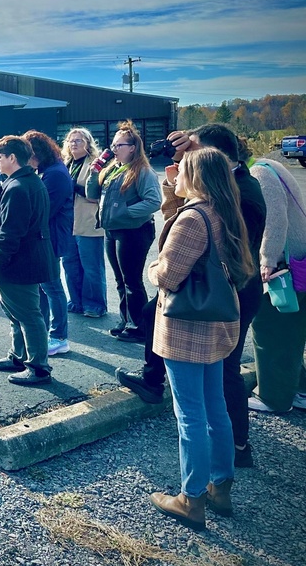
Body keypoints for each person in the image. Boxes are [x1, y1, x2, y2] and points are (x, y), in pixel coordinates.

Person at [117, 124, 265, 469]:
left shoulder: (240, 194)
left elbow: (181, 254)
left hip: (221, 296)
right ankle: (223, 466)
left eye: (190, 150)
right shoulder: (222, 195)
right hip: (214, 291)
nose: (182, 155)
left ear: (212, 157)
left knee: (211, 391)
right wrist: (176, 189)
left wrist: (157, 267)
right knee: (213, 390)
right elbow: (184, 228)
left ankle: (234, 450)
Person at [146, 148, 255, 530]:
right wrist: (171, 189)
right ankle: (220, 488)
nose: (175, 174)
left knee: (190, 415)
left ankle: (190, 499)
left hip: (187, 329)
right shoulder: (223, 210)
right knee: (215, 408)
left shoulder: (193, 219)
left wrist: (153, 268)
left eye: (182, 171)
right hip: (215, 326)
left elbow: (168, 276)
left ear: (197, 178)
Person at [0, 136, 55, 386]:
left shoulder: (19, 187)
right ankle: (19, 356)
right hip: (20, 262)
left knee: (28, 315)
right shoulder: (24, 182)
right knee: (16, 312)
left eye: (0, 157)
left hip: (18, 264)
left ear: (12, 158)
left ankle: (38, 368)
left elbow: (11, 232)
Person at [86, 122, 162, 343]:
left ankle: (139, 326)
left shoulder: (142, 171)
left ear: (132, 147)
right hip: (113, 230)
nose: (114, 149)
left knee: (131, 281)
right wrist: (94, 174)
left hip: (133, 232)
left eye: (119, 145)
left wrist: (126, 212)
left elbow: (153, 201)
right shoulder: (112, 169)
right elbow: (92, 194)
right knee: (120, 280)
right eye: (113, 145)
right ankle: (126, 320)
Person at [247, 155, 306, 414]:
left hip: (282, 269)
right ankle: (299, 390)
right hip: (296, 264)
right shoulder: (270, 166)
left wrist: (268, 259)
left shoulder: (259, 173)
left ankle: (272, 398)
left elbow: (275, 219)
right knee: (290, 333)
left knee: (269, 330)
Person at [24, 130, 75, 357]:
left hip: (51, 238)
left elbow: (46, 210)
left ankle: (59, 337)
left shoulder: (55, 174)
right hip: (47, 237)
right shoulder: (49, 171)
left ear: (38, 153)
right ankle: (46, 332)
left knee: (53, 288)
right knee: (44, 288)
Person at [60, 127, 108, 319]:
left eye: (79, 140)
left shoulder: (96, 164)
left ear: (88, 143)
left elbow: (98, 195)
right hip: (68, 223)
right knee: (70, 264)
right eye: (71, 141)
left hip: (88, 222)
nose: (74, 144)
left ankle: (95, 305)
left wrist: (75, 187)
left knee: (91, 267)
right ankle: (76, 301)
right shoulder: (66, 163)